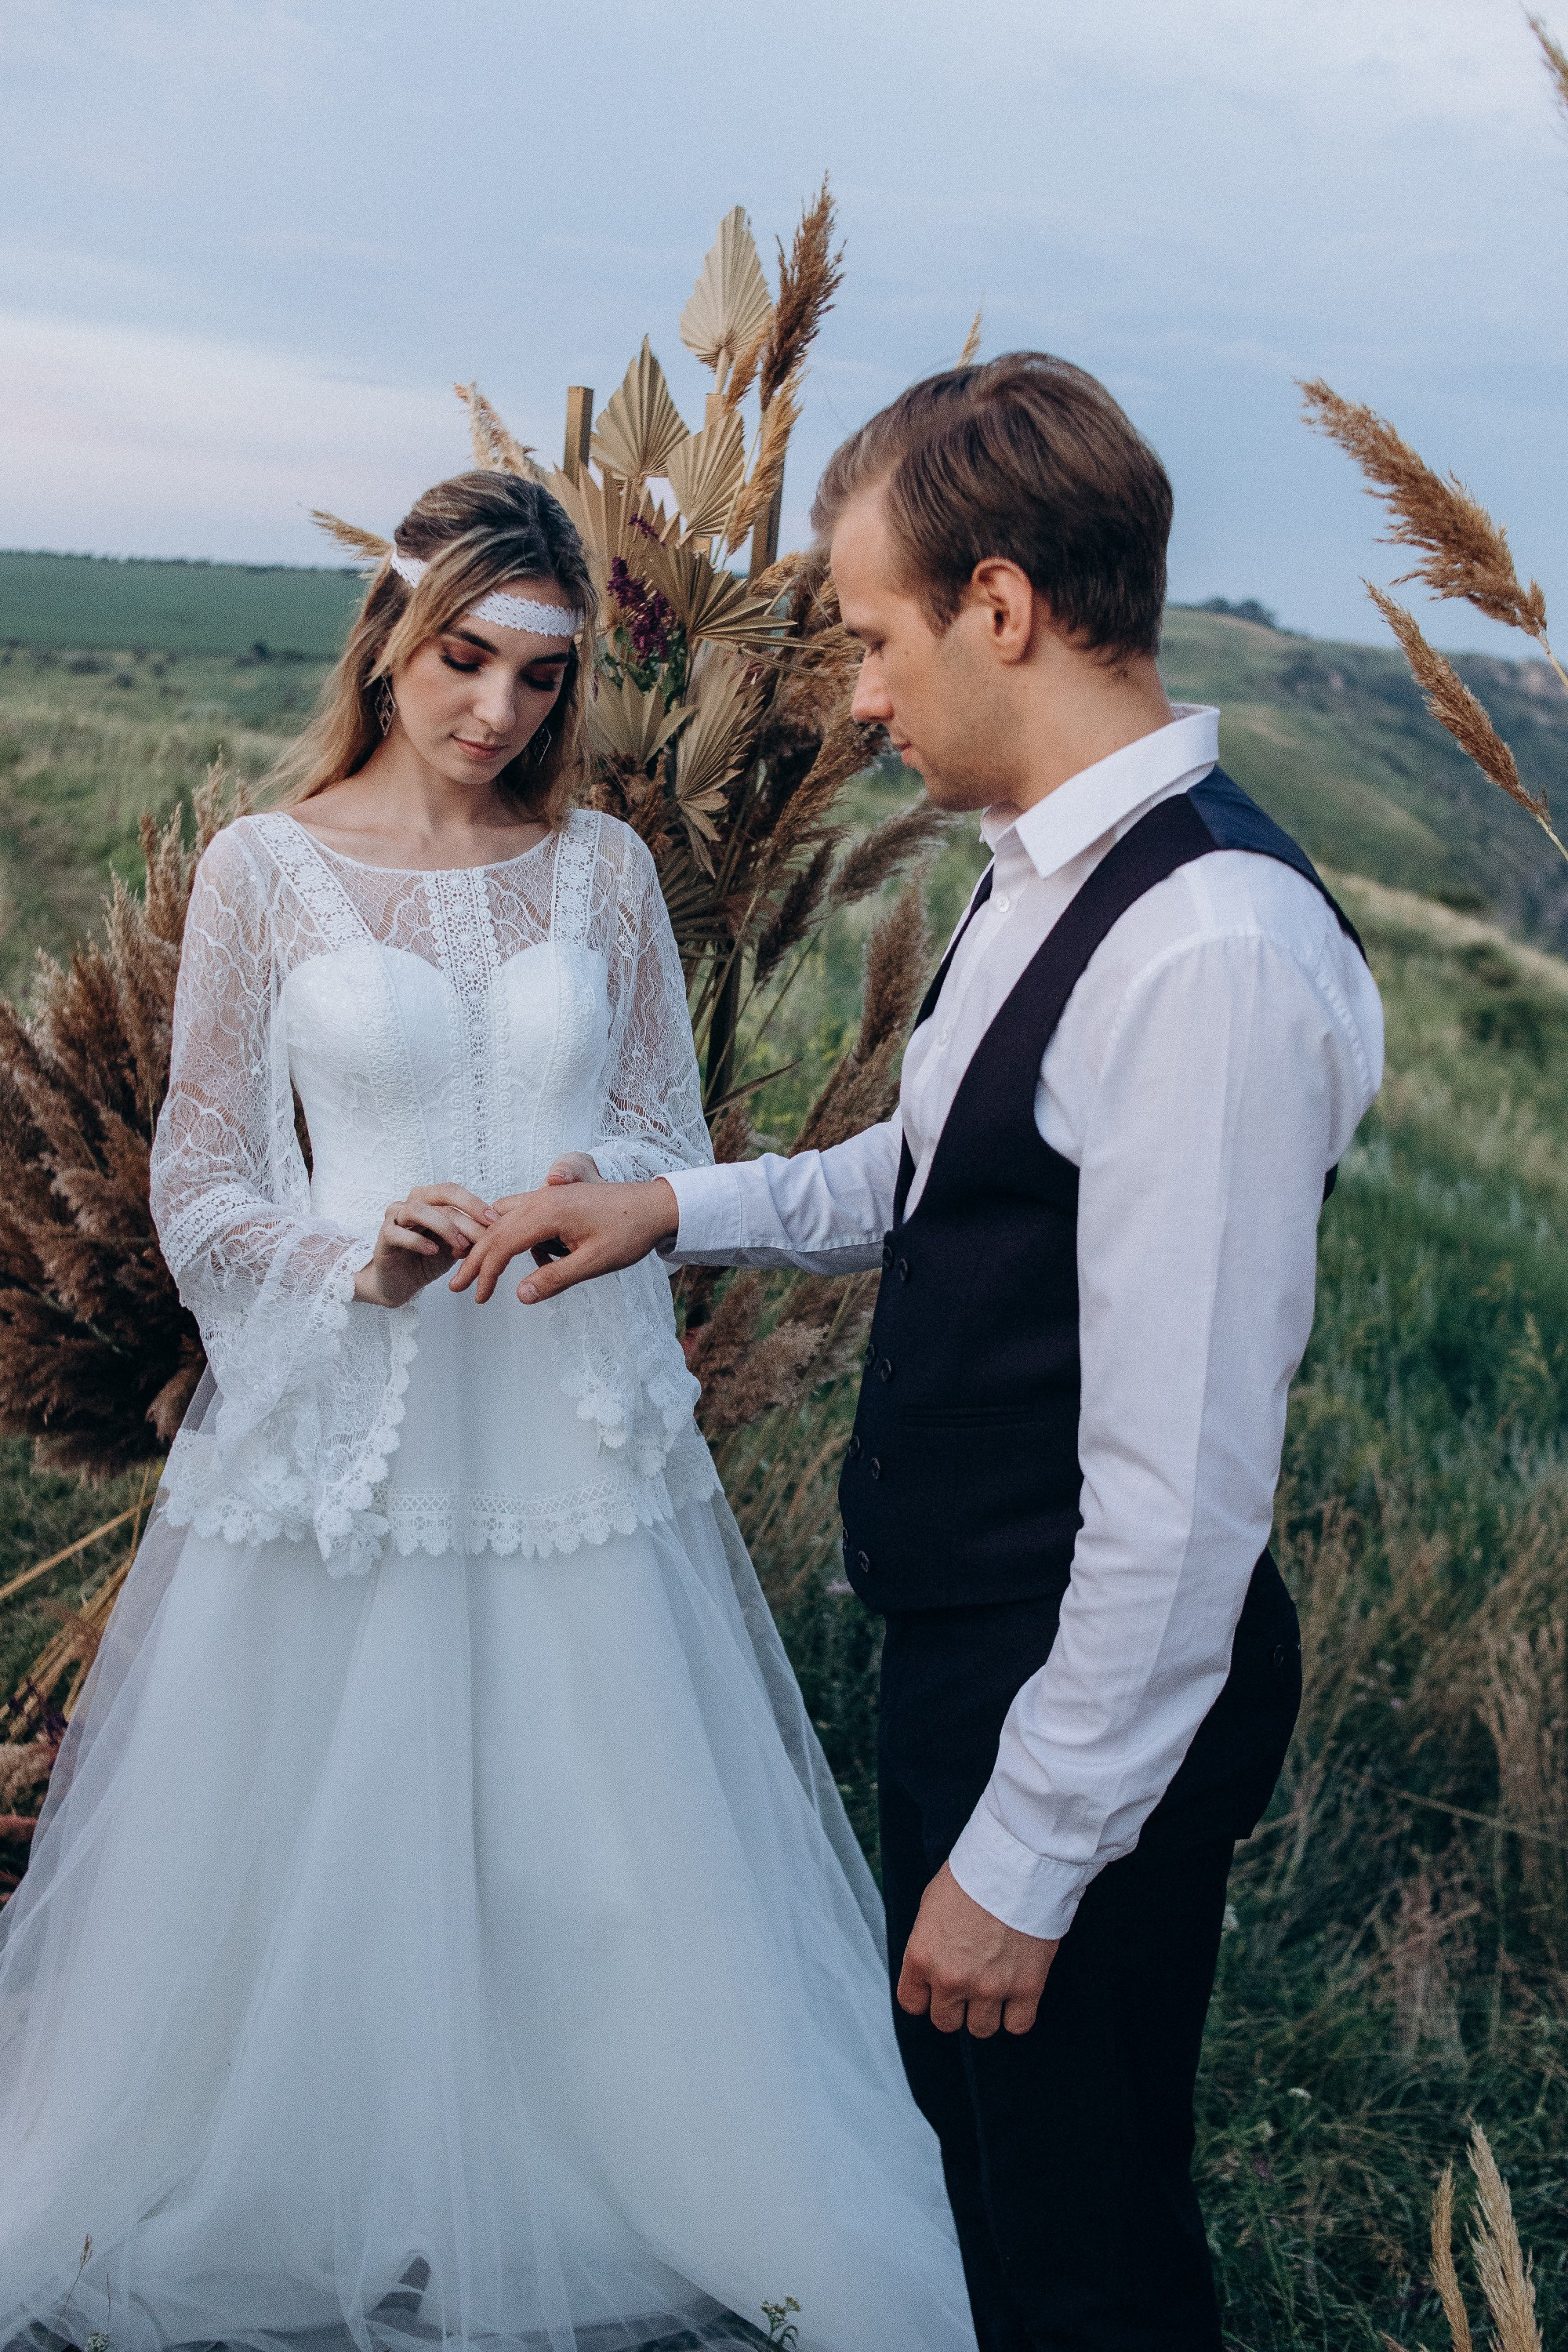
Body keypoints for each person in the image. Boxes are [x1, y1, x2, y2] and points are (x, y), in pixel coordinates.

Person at [452, 358, 1387, 2351]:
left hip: (1084, 1696)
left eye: (875, 636)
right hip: (991, 1657)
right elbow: (930, 1172)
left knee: (1079, 2252)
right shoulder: (1047, 876)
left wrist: (1027, 1854)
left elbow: (1178, 1501)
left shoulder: (1205, 951)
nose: (858, 695)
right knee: (998, 2190)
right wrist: (667, 1208)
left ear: (1000, 606)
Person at [0, 471, 977, 2352]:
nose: (500, 714)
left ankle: (607, 2143)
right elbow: (199, 1185)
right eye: (467, 661)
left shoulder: (600, 871)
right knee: (301, 1821)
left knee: (587, 1821)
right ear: (388, 638)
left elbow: (666, 1145)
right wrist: (345, 1260)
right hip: (344, 1426)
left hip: (557, 1406)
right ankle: (291, 2149)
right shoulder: (263, 872)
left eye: (543, 679)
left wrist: (569, 1183)